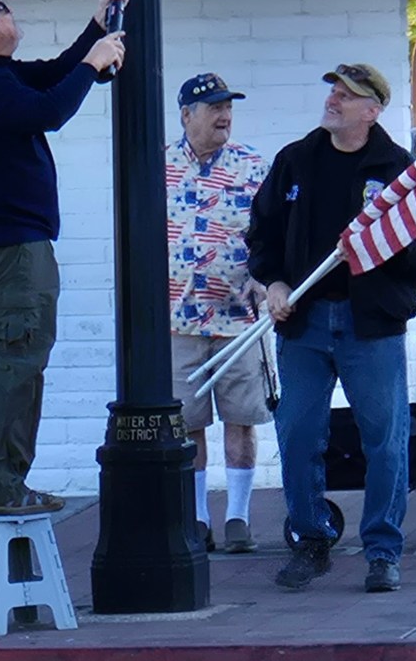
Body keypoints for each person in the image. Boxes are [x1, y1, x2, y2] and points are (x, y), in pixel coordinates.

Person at [246, 63, 416, 592]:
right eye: (333, 92)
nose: (333, 100)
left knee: (385, 441)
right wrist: (274, 283)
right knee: (297, 435)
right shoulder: (296, 161)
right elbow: (261, 233)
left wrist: (388, 244)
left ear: (372, 110)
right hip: (304, 322)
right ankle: (311, 540)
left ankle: (382, 551)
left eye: (347, 95)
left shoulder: (400, 172)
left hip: (371, 325)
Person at [0, 0, 129, 516]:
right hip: (10, 248)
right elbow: (50, 110)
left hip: (0, 243)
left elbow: (51, 76)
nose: (9, 12)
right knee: (17, 367)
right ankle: (0, 489)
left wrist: (97, 24)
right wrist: (93, 64)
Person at [166, 73, 271, 553]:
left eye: (228, 106)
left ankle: (237, 518)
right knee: (187, 422)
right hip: (178, 320)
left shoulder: (253, 167)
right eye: (214, 107)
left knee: (241, 418)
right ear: (187, 115)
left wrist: (267, 279)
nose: (224, 115)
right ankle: (197, 518)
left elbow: (273, 234)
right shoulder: (157, 168)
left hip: (239, 320)